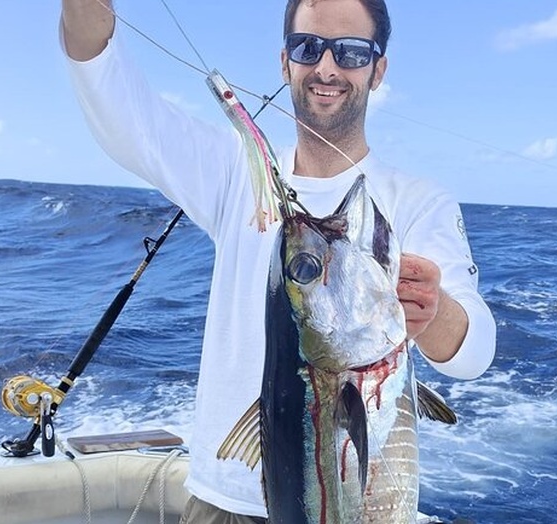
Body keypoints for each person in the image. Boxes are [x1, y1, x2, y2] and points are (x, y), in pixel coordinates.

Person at [60, 0, 496, 521]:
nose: (327, 67)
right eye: (307, 47)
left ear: (378, 70)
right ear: (285, 62)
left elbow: (472, 354)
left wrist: (434, 310)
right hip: (221, 504)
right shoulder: (235, 171)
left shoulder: (419, 202)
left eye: (351, 52)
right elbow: (118, 108)